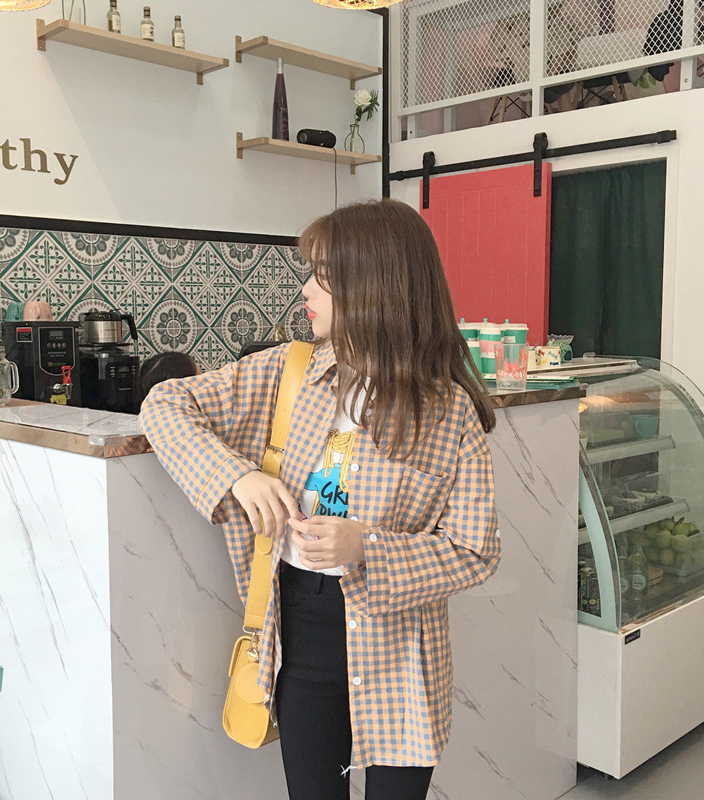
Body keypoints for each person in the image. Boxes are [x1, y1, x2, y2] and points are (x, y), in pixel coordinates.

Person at [139, 199, 501, 800]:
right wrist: (237, 477)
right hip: (300, 626)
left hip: (400, 643)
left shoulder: (448, 411)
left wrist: (368, 547)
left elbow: (474, 550)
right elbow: (164, 404)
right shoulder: (287, 371)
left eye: (322, 277)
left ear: (373, 288)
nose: (305, 289)